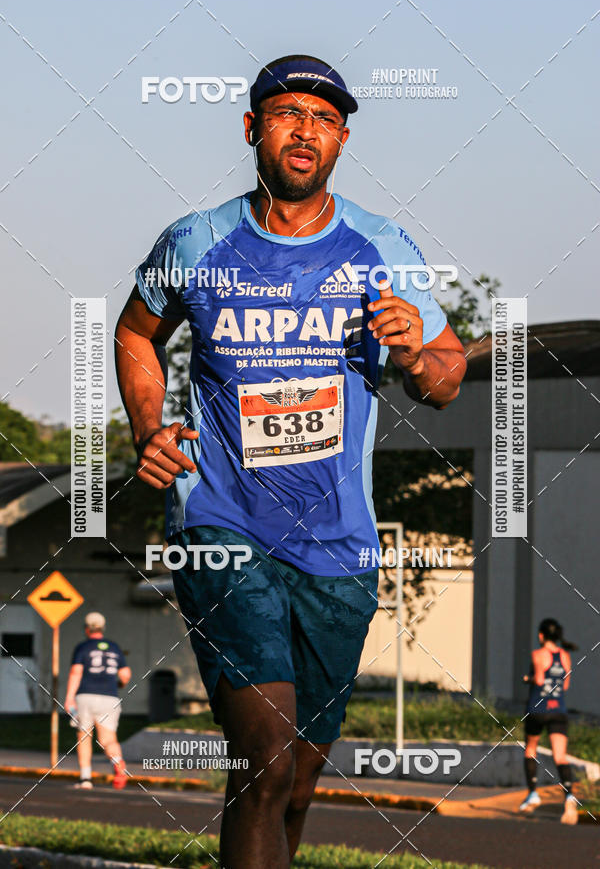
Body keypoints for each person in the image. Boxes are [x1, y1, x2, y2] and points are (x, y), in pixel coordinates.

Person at [115, 54, 466, 867]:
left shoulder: (383, 245)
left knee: (299, 780)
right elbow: (137, 333)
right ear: (252, 130)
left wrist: (416, 354)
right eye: (286, 114)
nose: (304, 132)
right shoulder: (197, 241)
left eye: (323, 120)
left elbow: (446, 377)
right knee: (265, 764)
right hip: (220, 521)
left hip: (338, 546)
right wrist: (149, 427)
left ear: (341, 140)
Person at [519, 617, 578, 824]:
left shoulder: (538, 654)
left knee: (531, 748)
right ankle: (569, 795)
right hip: (558, 709)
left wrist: (528, 679)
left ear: (541, 636)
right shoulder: (565, 656)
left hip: (538, 708)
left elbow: (540, 679)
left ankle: (533, 793)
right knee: (560, 756)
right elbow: (566, 685)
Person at [64, 611, 131, 790]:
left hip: (86, 695)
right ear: (102, 628)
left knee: (84, 736)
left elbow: (76, 672)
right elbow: (125, 675)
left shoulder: (83, 647)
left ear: (87, 629)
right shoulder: (114, 647)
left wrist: (69, 697)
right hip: (110, 697)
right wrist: (119, 684)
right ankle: (118, 763)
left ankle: (85, 779)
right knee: (108, 739)